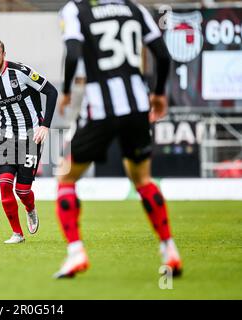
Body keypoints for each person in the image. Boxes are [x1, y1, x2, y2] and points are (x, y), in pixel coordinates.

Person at [53, 0, 182, 278]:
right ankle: (169, 251)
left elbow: (73, 54)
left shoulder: (75, 9)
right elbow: (162, 54)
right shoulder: (135, 8)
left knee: (65, 177)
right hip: (137, 105)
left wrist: (65, 91)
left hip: (101, 108)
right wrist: (158, 93)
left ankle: (76, 253)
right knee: (143, 180)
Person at [0, 38, 58, 244]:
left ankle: (30, 208)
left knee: (22, 190)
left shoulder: (20, 72)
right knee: (4, 185)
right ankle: (17, 234)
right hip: (7, 137)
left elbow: (51, 91)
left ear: (3, 54)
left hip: (31, 136)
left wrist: (45, 125)